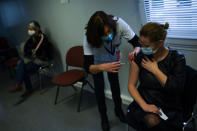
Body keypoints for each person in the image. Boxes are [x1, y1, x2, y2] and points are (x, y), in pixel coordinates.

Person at [83, 11, 141, 131]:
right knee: (99, 89)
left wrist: (136, 51)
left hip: (112, 57)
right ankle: (104, 118)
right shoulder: (88, 34)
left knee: (115, 85)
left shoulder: (119, 24)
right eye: (103, 34)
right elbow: (87, 66)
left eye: (109, 31)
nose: (108, 35)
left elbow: (137, 42)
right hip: (97, 62)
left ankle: (119, 111)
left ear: (111, 25)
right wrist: (102, 67)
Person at [127, 22, 186, 131]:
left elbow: (175, 89)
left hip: (169, 105)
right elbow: (131, 85)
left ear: (160, 43)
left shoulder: (177, 58)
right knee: (151, 120)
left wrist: (155, 70)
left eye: (147, 46)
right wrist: (144, 105)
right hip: (145, 101)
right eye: (141, 44)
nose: (142, 48)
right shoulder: (140, 56)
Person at [10, 21, 52, 97]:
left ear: (37, 29)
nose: (30, 30)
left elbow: (36, 50)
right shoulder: (31, 38)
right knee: (21, 64)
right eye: (29, 28)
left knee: (22, 68)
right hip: (33, 59)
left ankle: (23, 86)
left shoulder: (42, 37)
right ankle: (19, 85)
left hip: (41, 60)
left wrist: (31, 53)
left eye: (32, 29)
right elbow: (25, 51)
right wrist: (30, 53)